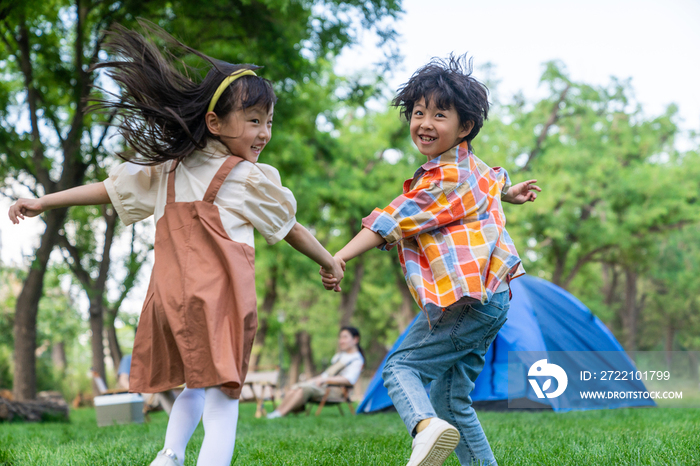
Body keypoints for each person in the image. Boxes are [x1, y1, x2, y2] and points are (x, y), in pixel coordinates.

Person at [8, 22, 344, 466]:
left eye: (268, 123)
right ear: (214, 122)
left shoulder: (169, 170)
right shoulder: (245, 178)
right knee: (225, 393)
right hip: (218, 298)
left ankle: (169, 455)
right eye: (254, 121)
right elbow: (291, 229)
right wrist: (329, 260)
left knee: (197, 383)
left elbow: (108, 189)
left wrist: (44, 201)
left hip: (170, 298)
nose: (264, 133)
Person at [321, 55, 540, 466]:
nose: (425, 122)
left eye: (440, 114)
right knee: (451, 400)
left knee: (400, 367)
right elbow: (496, 178)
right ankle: (444, 426)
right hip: (495, 299)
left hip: (468, 302)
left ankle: (424, 428)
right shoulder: (472, 168)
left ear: (465, 127)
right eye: (418, 112)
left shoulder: (442, 178)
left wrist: (340, 256)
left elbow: (391, 220)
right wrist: (510, 192)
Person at [266, 326, 364, 418]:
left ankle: (280, 414)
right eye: (340, 337)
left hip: (334, 391)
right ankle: (277, 412)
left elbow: (349, 380)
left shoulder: (357, 360)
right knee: (295, 388)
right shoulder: (340, 356)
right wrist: (312, 380)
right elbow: (324, 375)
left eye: (345, 337)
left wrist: (325, 380)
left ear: (355, 339)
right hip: (323, 387)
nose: (341, 341)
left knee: (303, 389)